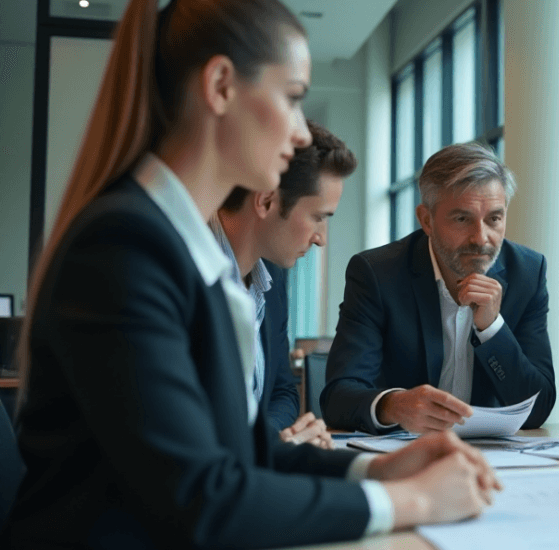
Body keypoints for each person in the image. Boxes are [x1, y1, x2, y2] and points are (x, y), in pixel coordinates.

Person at [2, 1, 499, 547]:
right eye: (291, 98)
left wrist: (379, 470)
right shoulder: (124, 246)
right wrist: (417, 500)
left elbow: (245, 451)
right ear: (220, 86)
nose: (301, 135)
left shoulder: (184, 249)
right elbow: (205, 498)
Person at [322, 142, 555, 435]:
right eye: (462, 219)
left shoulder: (527, 273)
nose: (481, 238)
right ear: (427, 220)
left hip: (490, 461)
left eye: (494, 218)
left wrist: (492, 329)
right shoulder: (378, 274)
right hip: (404, 457)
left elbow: (538, 409)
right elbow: (338, 397)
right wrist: (394, 405)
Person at [212, 119, 355, 449]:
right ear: (265, 201)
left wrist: (274, 440)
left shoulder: (272, 276)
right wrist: (270, 448)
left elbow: (282, 390)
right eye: (318, 217)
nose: (320, 239)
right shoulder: (184, 272)